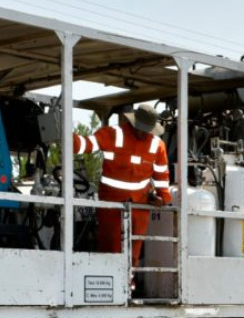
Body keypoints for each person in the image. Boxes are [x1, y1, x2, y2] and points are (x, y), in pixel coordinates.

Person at [70, 104, 171, 266]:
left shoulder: (157, 144)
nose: (143, 133)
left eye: (147, 130)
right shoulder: (112, 134)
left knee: (134, 253)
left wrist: (163, 198)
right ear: (133, 122)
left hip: (140, 206)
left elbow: (161, 174)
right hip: (111, 204)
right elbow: (84, 145)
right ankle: (109, 279)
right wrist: (65, 133)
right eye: (141, 128)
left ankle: (130, 281)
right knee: (110, 248)